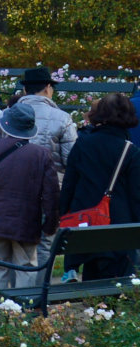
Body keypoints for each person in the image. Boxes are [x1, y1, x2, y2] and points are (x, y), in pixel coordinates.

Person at [0, 102, 59, 293]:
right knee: (26, 266)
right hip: (26, 222)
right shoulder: (41, 155)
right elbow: (51, 195)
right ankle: (23, 306)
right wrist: (50, 225)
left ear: (6, 125)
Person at [58, 93, 140, 280]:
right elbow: (136, 195)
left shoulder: (83, 143)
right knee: (119, 283)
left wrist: (62, 212)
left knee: (92, 277)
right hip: (120, 226)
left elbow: (69, 184)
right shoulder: (131, 151)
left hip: (86, 223)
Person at [0, 65, 76, 167]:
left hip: (12, 175)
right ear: (47, 88)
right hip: (51, 176)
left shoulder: (4, 115)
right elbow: (71, 160)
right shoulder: (63, 118)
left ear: (25, 90)